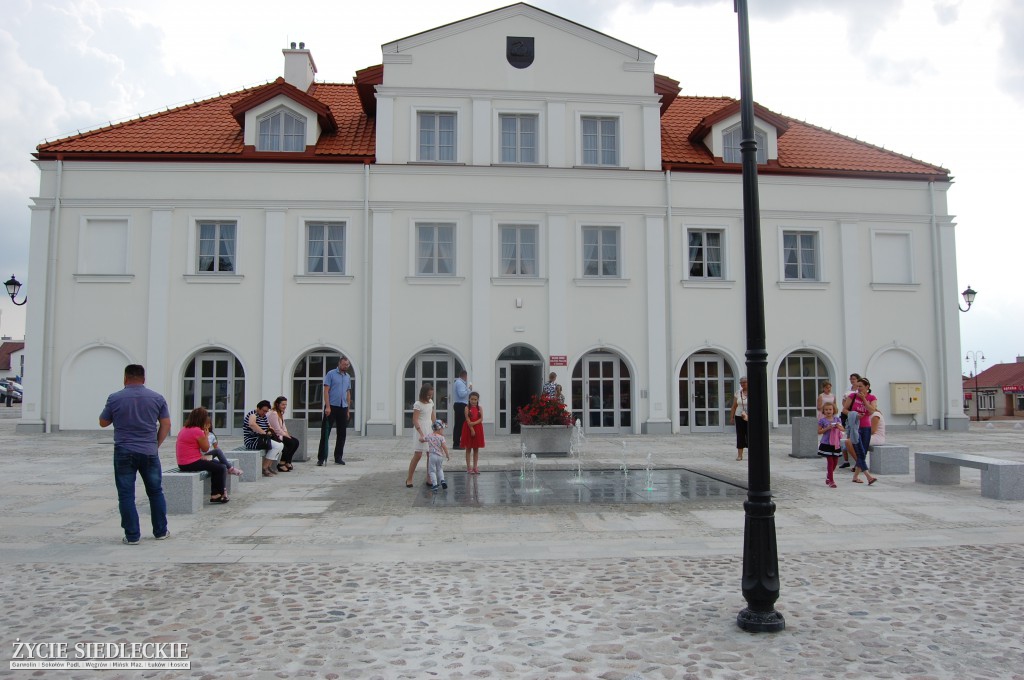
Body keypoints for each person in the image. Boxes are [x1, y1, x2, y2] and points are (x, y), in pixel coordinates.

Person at [98, 364, 171, 545]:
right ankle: (161, 531)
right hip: (149, 451)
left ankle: (132, 536)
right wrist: (155, 444)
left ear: (125, 378)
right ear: (144, 378)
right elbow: (166, 424)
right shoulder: (157, 398)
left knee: (126, 494)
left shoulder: (115, 398)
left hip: (124, 451)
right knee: (155, 492)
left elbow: (103, 422)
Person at [176, 407, 230, 503]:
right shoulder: (197, 431)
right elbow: (205, 448)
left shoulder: (184, 428)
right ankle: (216, 494)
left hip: (185, 462)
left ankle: (217, 492)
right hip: (191, 463)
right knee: (220, 467)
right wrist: (206, 435)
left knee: (217, 463)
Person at [318, 356, 352, 466]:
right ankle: (321, 458)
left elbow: (348, 393)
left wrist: (348, 409)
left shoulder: (347, 377)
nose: (345, 367)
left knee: (342, 434)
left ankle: (338, 457)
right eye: (344, 365)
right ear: (339, 364)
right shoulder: (331, 374)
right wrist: (327, 407)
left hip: (343, 407)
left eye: (347, 365)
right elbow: (326, 391)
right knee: (325, 433)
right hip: (332, 406)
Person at [845, 377, 878, 485]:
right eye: (857, 386)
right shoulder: (852, 396)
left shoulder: (872, 397)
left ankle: (855, 476)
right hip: (855, 427)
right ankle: (868, 476)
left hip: (866, 427)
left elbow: (872, 410)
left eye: (861, 386)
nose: (858, 388)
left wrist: (864, 399)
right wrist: (854, 415)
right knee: (860, 451)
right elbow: (844, 410)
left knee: (863, 453)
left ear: (867, 387)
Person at [405, 382, 436, 488]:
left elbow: (433, 416)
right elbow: (415, 419)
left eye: (431, 395)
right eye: (428, 395)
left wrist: (436, 429)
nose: (430, 397)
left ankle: (429, 478)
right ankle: (409, 478)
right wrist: (421, 434)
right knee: (418, 455)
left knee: (430, 455)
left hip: (429, 428)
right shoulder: (418, 404)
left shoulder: (431, 402)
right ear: (423, 394)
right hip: (420, 429)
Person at [243, 400, 285, 477]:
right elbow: (252, 424)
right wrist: (264, 433)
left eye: (266, 411)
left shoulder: (263, 416)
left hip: (261, 439)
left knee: (280, 445)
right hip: (253, 441)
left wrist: (270, 431)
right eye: (263, 411)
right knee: (278, 446)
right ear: (258, 408)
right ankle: (264, 467)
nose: (265, 413)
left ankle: (268, 466)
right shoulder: (253, 414)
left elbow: (269, 426)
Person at [267, 396, 300, 472]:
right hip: (273, 436)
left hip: (279, 435)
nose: (284, 406)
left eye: (285, 405)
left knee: (295, 442)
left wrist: (287, 435)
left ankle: (287, 461)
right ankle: (281, 464)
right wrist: (286, 436)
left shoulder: (280, 413)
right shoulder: (274, 413)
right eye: (283, 404)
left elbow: (283, 427)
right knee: (289, 444)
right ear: (277, 404)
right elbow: (277, 429)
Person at [816, 402, 845, 488]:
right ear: (823, 411)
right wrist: (827, 428)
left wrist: (838, 427)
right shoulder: (822, 421)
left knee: (835, 462)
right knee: (830, 462)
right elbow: (819, 431)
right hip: (826, 443)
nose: (828, 411)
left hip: (835, 443)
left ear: (833, 410)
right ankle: (831, 481)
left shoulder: (837, 419)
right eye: (826, 410)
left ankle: (828, 476)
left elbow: (842, 429)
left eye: (830, 409)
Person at [839, 373, 862, 468]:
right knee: (846, 434)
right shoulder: (848, 389)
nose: (852, 380)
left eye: (854, 379)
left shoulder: (859, 391)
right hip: (847, 414)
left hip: (855, 414)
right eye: (851, 379)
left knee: (854, 436)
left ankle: (858, 461)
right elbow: (844, 402)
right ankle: (846, 460)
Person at [461, 391, 485, 474]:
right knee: (468, 448)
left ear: (478, 400)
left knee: (476, 449)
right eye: (472, 399)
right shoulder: (467, 408)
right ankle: (468, 467)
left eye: (475, 399)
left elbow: (481, 419)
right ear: (469, 399)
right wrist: (472, 429)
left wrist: (474, 423)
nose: (473, 401)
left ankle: (475, 467)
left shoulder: (480, 408)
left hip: (478, 428)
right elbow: (468, 420)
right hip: (468, 429)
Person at [425, 419, 450, 491]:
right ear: (439, 429)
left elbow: (423, 439)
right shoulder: (441, 437)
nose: (443, 431)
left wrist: (420, 439)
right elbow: (444, 447)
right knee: (439, 469)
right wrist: (447, 455)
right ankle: (442, 480)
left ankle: (435, 484)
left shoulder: (429, 436)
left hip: (432, 456)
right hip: (440, 456)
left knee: (432, 471)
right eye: (442, 429)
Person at [729, 376, 749, 461]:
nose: (743, 384)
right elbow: (734, 406)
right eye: (741, 383)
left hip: (749, 417)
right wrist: (732, 417)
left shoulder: (753, 392)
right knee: (740, 435)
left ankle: (752, 454)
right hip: (739, 416)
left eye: (744, 382)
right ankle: (740, 455)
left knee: (750, 435)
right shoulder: (738, 393)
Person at [452, 370, 470, 450]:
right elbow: (462, 394)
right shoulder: (460, 383)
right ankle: (456, 443)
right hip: (460, 405)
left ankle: (458, 442)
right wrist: (469, 390)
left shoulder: (459, 382)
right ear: (464, 376)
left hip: (460, 405)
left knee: (459, 425)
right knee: (459, 425)